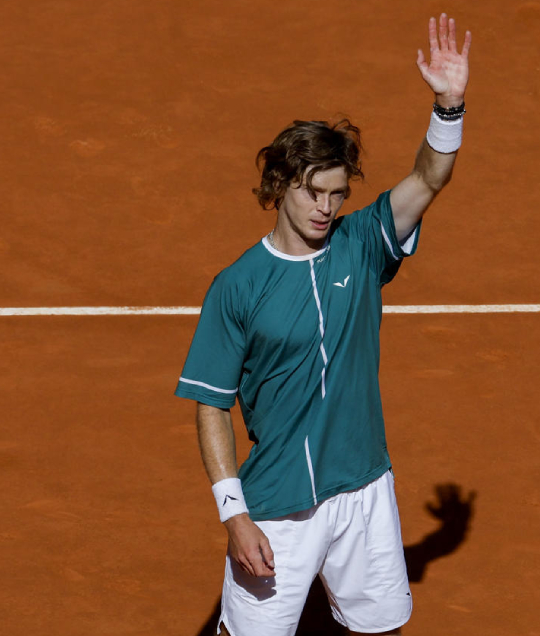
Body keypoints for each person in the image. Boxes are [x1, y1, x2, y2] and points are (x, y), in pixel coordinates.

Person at [175, 13, 471, 636]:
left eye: (337, 195)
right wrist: (235, 517)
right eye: (314, 193)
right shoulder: (237, 287)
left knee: (380, 626)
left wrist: (448, 105)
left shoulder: (363, 244)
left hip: (364, 484)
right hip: (278, 504)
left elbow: (428, 178)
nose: (326, 208)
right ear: (280, 184)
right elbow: (210, 406)